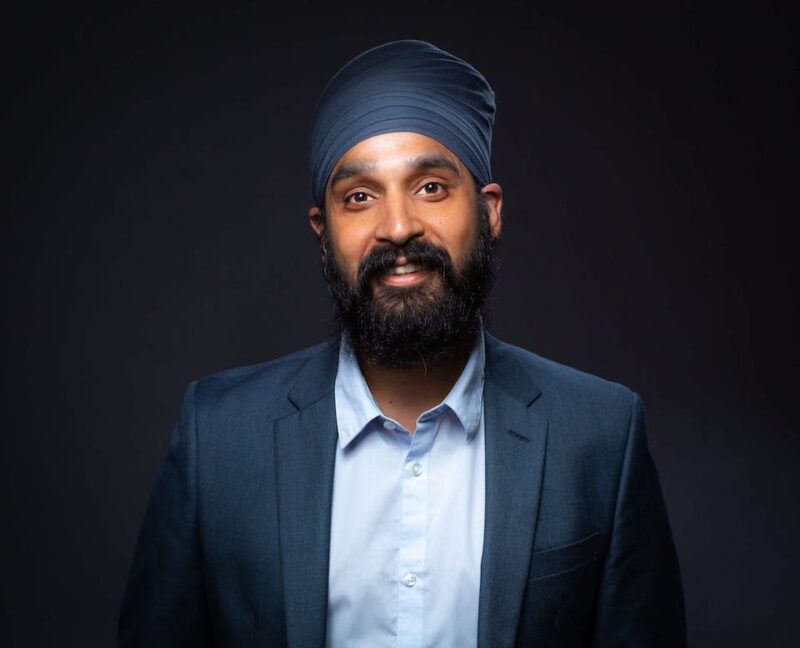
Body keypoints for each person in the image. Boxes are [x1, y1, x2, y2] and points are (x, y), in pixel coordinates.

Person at [119, 40, 686, 647]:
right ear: (323, 231)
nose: (396, 228)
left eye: (431, 187)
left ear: (489, 211)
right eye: (360, 197)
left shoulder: (600, 436)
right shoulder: (218, 436)